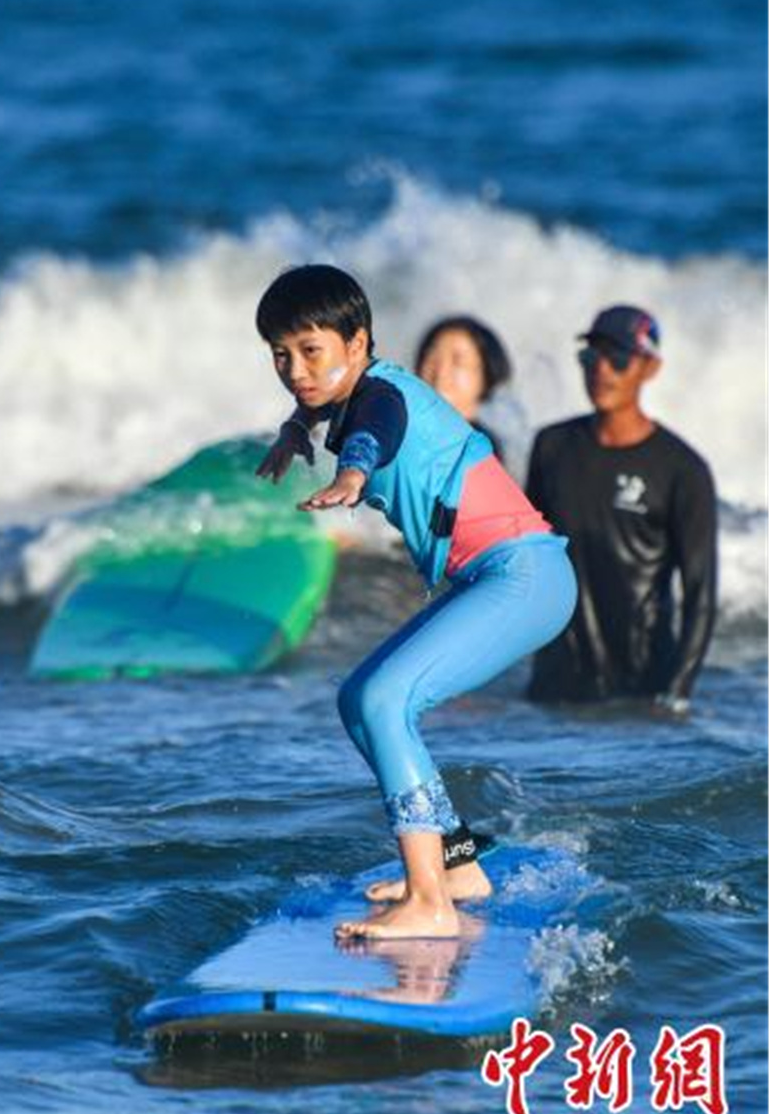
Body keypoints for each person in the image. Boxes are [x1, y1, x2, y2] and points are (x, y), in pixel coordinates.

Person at [255, 264, 577, 940]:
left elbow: (375, 432)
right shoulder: (338, 393)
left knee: (383, 702)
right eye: (281, 355)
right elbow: (319, 406)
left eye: (310, 351)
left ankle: (429, 902)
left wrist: (350, 474)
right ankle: (455, 862)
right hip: (490, 579)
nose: (295, 370)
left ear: (359, 341)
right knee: (359, 699)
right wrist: (293, 430)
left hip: (523, 576)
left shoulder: (382, 397)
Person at [526, 305, 717, 712]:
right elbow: (522, 562)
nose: (602, 372)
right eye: (591, 358)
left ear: (650, 367)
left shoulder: (682, 469)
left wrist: (676, 694)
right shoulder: (551, 448)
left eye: (618, 359)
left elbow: (700, 593)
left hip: (639, 692)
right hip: (554, 690)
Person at [414, 316, 512, 460]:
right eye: (432, 359)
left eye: (458, 361)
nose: (441, 372)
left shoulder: (481, 451)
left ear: (486, 376)